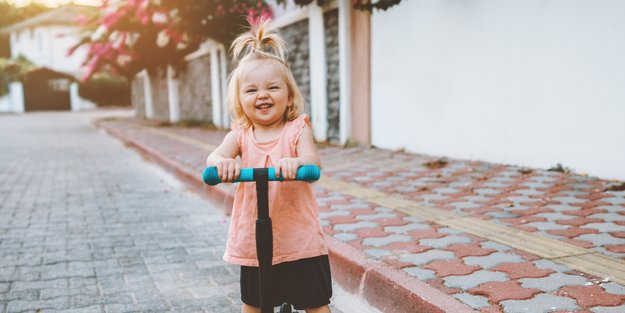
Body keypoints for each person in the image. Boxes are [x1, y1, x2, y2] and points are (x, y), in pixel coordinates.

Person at [205, 17, 332, 313]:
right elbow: (214, 157)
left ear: (288, 96)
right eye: (251, 90)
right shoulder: (239, 134)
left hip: (298, 240)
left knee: (315, 303)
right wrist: (223, 163)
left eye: (273, 87)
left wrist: (297, 162)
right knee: (253, 302)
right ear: (240, 99)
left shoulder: (297, 128)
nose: (262, 95)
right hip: (254, 241)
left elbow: (312, 162)